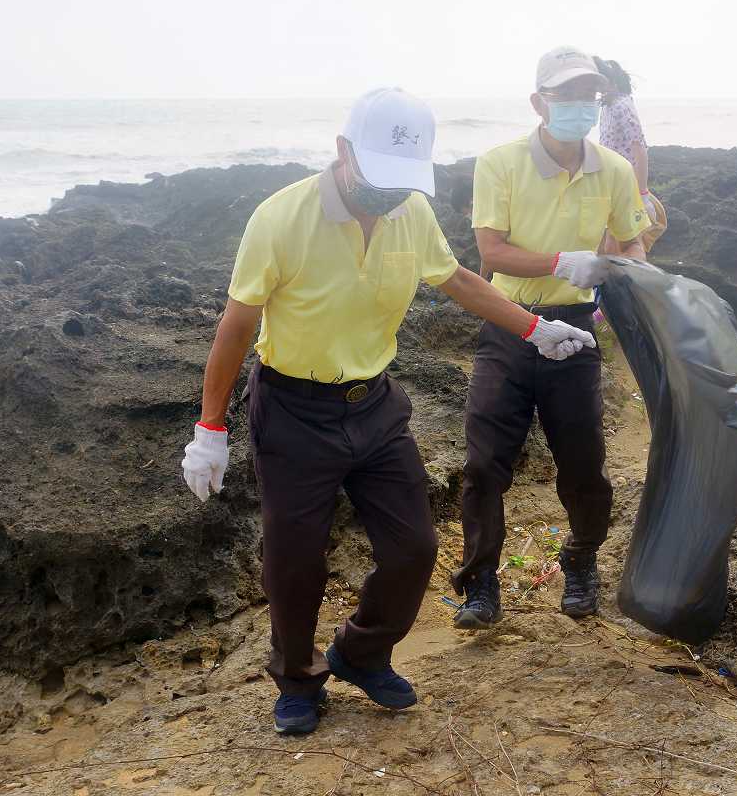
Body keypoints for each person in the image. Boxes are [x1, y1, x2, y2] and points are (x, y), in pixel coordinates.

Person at [179, 87, 596, 736]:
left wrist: (533, 328)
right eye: (380, 177)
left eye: (404, 182)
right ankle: (297, 679)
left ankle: (360, 653)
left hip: (374, 406)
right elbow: (237, 325)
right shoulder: (280, 218)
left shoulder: (410, 214)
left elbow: (456, 278)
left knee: (414, 548)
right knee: (294, 564)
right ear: (343, 151)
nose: (390, 194)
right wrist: (210, 429)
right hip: (292, 409)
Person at [451, 46, 651, 630]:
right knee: (485, 465)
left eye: (588, 95)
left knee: (584, 463)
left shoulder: (612, 170)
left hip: (577, 334)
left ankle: (581, 559)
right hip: (510, 325)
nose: (578, 106)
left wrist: (622, 267)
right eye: (565, 95)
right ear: (539, 102)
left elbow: (631, 240)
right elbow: (491, 252)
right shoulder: (499, 163)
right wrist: (565, 260)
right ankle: (481, 583)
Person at [594, 56, 668, 254]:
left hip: (627, 184)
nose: (598, 88)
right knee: (610, 236)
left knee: (621, 239)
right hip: (611, 180)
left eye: (601, 82)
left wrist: (642, 194)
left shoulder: (622, 106)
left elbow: (639, 150)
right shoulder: (608, 106)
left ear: (613, 82)